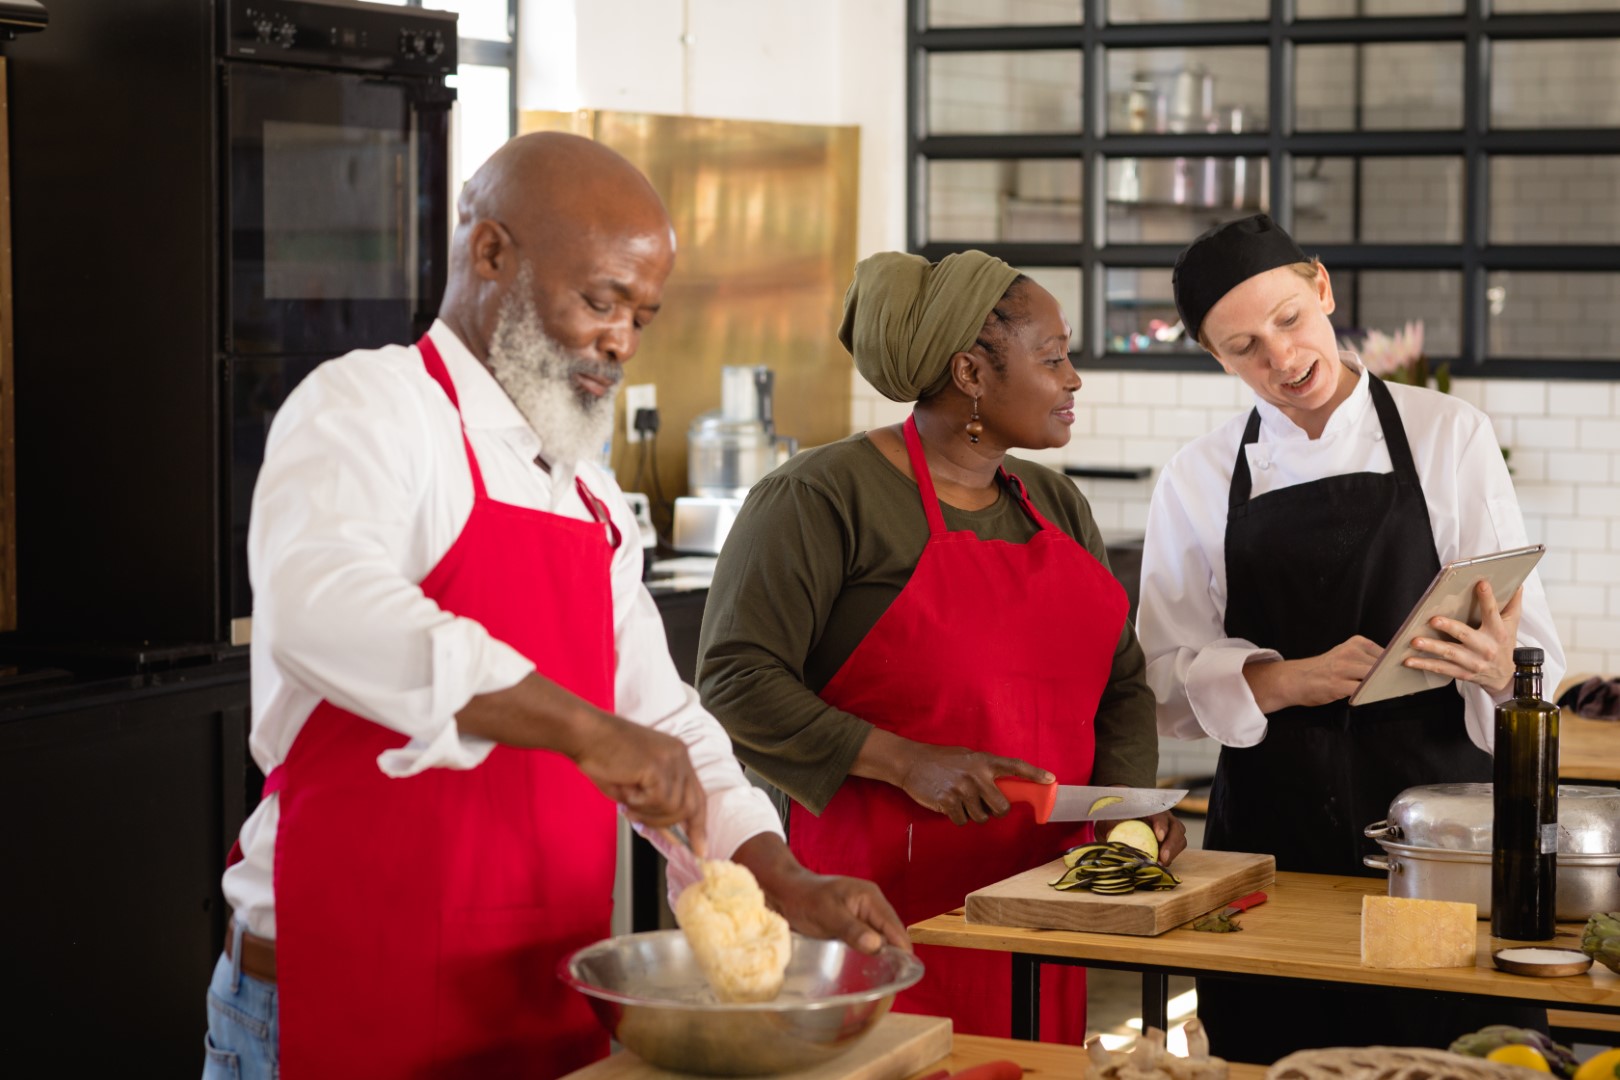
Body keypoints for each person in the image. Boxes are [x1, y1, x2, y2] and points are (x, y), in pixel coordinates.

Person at [203, 132, 908, 1080]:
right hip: (341, 985)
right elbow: (328, 609)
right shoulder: (369, 407)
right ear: (490, 252)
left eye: (642, 317)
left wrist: (778, 876)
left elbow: (662, 721)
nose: (619, 340)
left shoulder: (586, 494)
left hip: (540, 1000)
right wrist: (584, 730)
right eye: (600, 300)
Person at [695, 250, 1184, 1043]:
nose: (1074, 380)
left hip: (1041, 904)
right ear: (971, 374)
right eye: (1053, 357)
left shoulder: (1055, 502)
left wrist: (1122, 815)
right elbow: (733, 678)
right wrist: (906, 760)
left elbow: (1121, 682)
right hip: (882, 905)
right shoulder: (820, 497)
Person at [1137, 213, 1564, 1062]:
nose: (1282, 360)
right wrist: (1282, 680)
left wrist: (1495, 671)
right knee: (1272, 1045)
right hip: (1271, 837)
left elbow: (1535, 656)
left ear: (1324, 288)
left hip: (1438, 831)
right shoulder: (1198, 474)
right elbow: (1159, 687)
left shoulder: (1450, 436)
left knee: (1454, 1049)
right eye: (1243, 348)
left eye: (1290, 320)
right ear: (1215, 358)